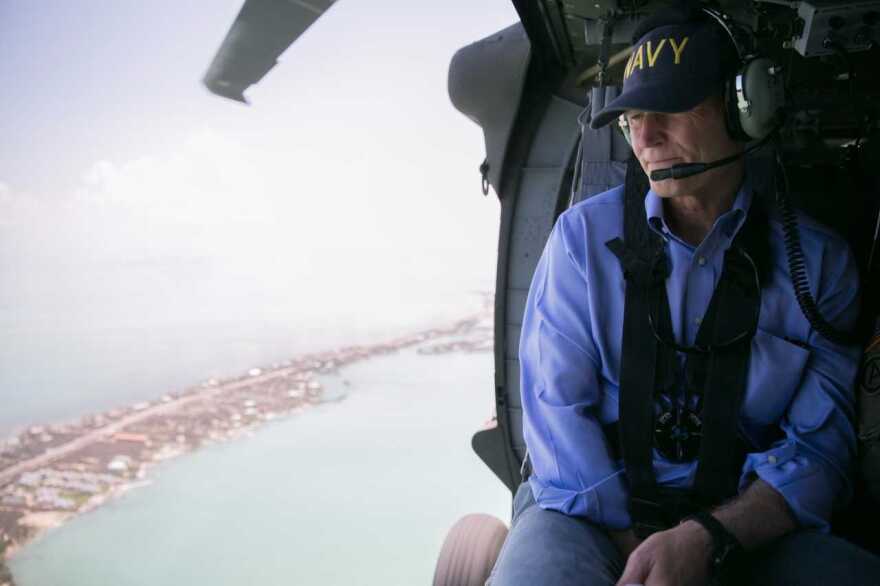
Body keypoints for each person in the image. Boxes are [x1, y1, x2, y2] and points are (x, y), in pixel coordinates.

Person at [488, 7, 880, 586]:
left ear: (747, 110)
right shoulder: (579, 242)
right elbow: (557, 414)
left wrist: (710, 538)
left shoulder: (819, 267)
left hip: (744, 524)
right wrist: (635, 547)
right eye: (634, 117)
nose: (645, 138)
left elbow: (821, 450)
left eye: (672, 108)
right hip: (589, 518)